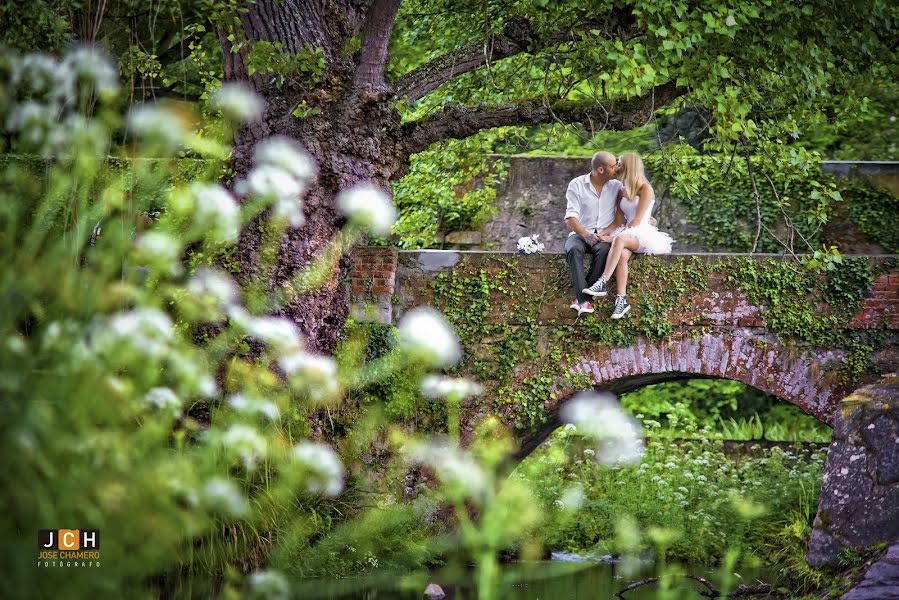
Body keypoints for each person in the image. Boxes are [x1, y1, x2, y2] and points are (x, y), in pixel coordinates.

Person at [582, 152, 674, 319]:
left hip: (642, 233)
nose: (616, 166)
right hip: (627, 234)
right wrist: (600, 234)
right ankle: (621, 300)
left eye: (619, 162)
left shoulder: (645, 188)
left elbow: (637, 221)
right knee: (622, 256)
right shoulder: (621, 190)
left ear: (628, 166)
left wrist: (611, 238)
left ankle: (602, 282)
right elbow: (618, 221)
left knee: (619, 240)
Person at [564, 151, 624, 315]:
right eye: (613, 166)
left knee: (605, 251)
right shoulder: (576, 184)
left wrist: (648, 218)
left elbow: (628, 209)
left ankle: (582, 301)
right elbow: (570, 217)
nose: (617, 169)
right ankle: (585, 300)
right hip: (581, 234)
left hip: (605, 235)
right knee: (573, 249)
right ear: (601, 170)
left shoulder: (617, 186)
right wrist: (585, 235)